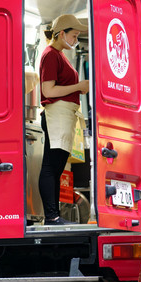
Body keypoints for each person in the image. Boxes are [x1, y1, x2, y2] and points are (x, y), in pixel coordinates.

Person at [38, 14, 89, 225]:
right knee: (51, 167)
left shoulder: (59, 54)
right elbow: (48, 90)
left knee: (56, 168)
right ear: (61, 33)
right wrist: (78, 86)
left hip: (63, 115)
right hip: (56, 115)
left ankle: (55, 215)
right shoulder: (51, 55)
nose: (75, 39)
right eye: (74, 35)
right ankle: (52, 216)